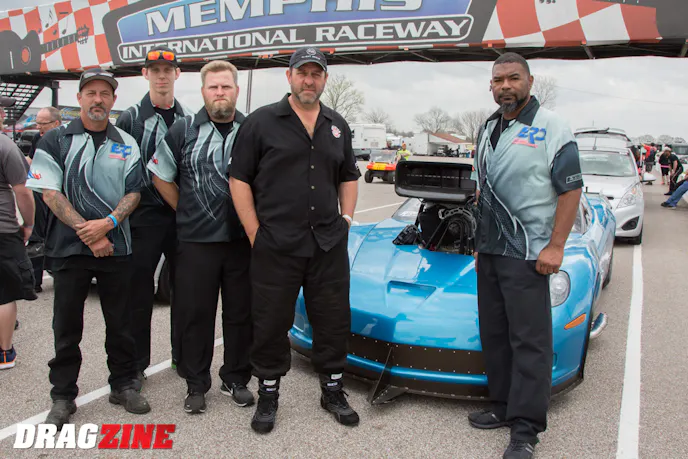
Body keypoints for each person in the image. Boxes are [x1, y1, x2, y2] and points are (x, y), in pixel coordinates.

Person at [229, 46, 361, 434]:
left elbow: (349, 176)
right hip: (276, 245)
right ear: (289, 77)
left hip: (327, 245)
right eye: (302, 73)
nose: (309, 80)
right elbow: (239, 179)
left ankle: (332, 391)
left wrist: (347, 219)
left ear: (324, 79)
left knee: (333, 320)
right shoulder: (261, 122)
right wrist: (254, 233)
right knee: (270, 323)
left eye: (316, 74)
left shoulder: (337, 125)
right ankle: (268, 395)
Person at [471, 53, 583, 459]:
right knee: (496, 336)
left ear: (529, 82)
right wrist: (479, 244)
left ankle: (526, 430)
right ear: (491, 85)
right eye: (498, 79)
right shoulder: (487, 128)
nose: (505, 85)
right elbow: (482, 191)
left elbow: (571, 189)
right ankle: (503, 406)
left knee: (529, 343)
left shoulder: (552, 126)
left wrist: (556, 246)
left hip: (529, 253)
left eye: (513, 78)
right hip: (491, 251)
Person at [26, 68, 151, 429]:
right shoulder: (55, 140)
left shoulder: (126, 142)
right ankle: (63, 396)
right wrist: (91, 234)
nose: (98, 99)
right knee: (67, 328)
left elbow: (134, 192)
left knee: (122, 324)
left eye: (105, 94)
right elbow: (50, 193)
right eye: (91, 93)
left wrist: (108, 224)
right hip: (69, 249)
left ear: (113, 100)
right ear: (80, 97)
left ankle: (123, 385)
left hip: (118, 247)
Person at [147, 60, 252, 415]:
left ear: (236, 90)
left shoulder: (252, 130)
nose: (220, 93)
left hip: (241, 242)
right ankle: (196, 383)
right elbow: (160, 175)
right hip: (195, 242)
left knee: (240, 315)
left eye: (226, 86)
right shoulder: (183, 129)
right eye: (213, 87)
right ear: (204, 91)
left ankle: (235, 378)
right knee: (195, 315)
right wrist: (185, 208)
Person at [116, 46, 192, 387]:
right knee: (138, 293)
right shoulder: (130, 118)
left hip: (180, 216)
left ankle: (184, 358)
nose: (162, 76)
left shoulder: (189, 118)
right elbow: (120, 171)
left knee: (185, 290)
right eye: (155, 70)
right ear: (145, 73)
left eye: (168, 70)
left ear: (177, 74)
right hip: (142, 218)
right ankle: (136, 366)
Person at [0, 96, 36, 370]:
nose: (3, 113)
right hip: (3, 230)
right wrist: (29, 224)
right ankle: (4, 352)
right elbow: (23, 191)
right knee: (4, 294)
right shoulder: (6, 146)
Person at [27, 107, 62, 293]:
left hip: (58, 194)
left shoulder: (65, 139)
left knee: (56, 234)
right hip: (38, 193)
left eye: (43, 123)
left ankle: (59, 273)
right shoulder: (38, 138)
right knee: (36, 237)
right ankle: (34, 281)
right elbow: (30, 159)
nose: (39, 127)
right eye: (37, 123)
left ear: (56, 123)